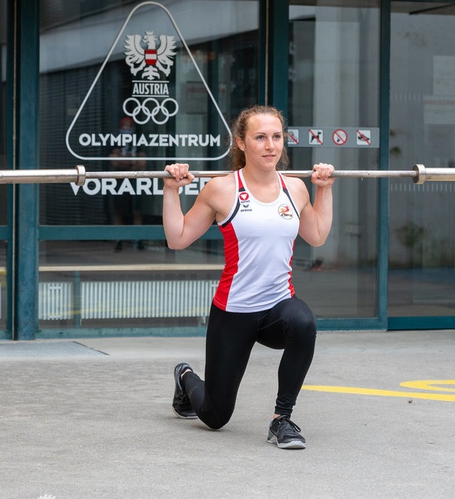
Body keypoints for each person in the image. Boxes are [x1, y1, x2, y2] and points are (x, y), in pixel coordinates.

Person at [163, 105, 335, 449]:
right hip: (233, 312)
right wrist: (171, 190)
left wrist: (324, 188)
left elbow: (316, 236)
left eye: (276, 137)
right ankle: (186, 377)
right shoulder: (221, 190)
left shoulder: (295, 188)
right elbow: (177, 239)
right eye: (260, 137)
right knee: (215, 416)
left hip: (277, 308)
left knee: (303, 322)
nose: (270, 145)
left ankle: (282, 419)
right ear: (241, 143)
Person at [108, 117, 147, 251]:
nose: (127, 129)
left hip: (136, 180)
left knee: (137, 210)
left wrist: (125, 161)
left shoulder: (139, 142)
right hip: (119, 180)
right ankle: (119, 239)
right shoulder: (115, 141)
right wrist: (130, 162)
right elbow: (114, 161)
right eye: (124, 126)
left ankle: (138, 239)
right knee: (118, 210)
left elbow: (142, 163)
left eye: (129, 126)